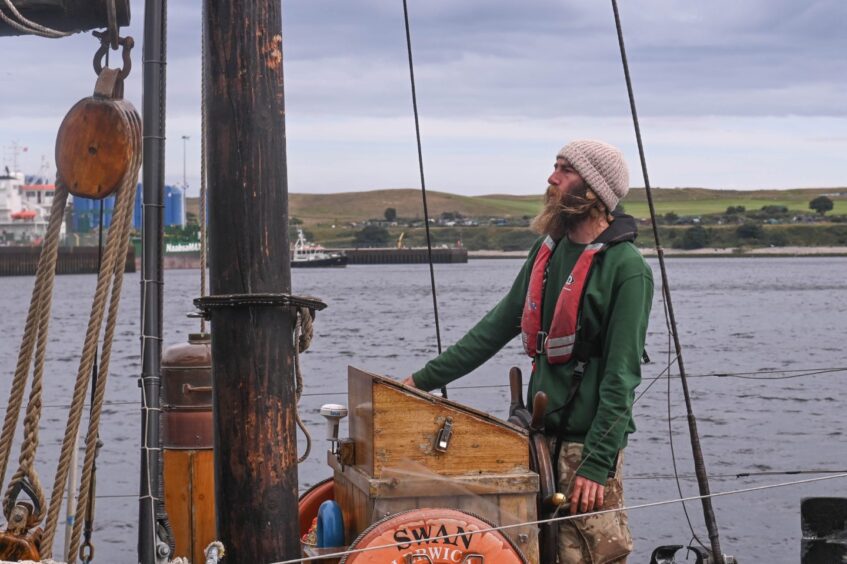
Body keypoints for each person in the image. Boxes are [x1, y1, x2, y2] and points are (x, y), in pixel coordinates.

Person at [403, 139, 653, 563]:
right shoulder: (546, 252)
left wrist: (595, 464)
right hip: (534, 441)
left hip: (584, 450)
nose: (552, 179)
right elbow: (495, 328)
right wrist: (419, 383)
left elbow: (621, 376)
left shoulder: (627, 269)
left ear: (593, 191)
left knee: (588, 556)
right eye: (555, 167)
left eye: (565, 170)